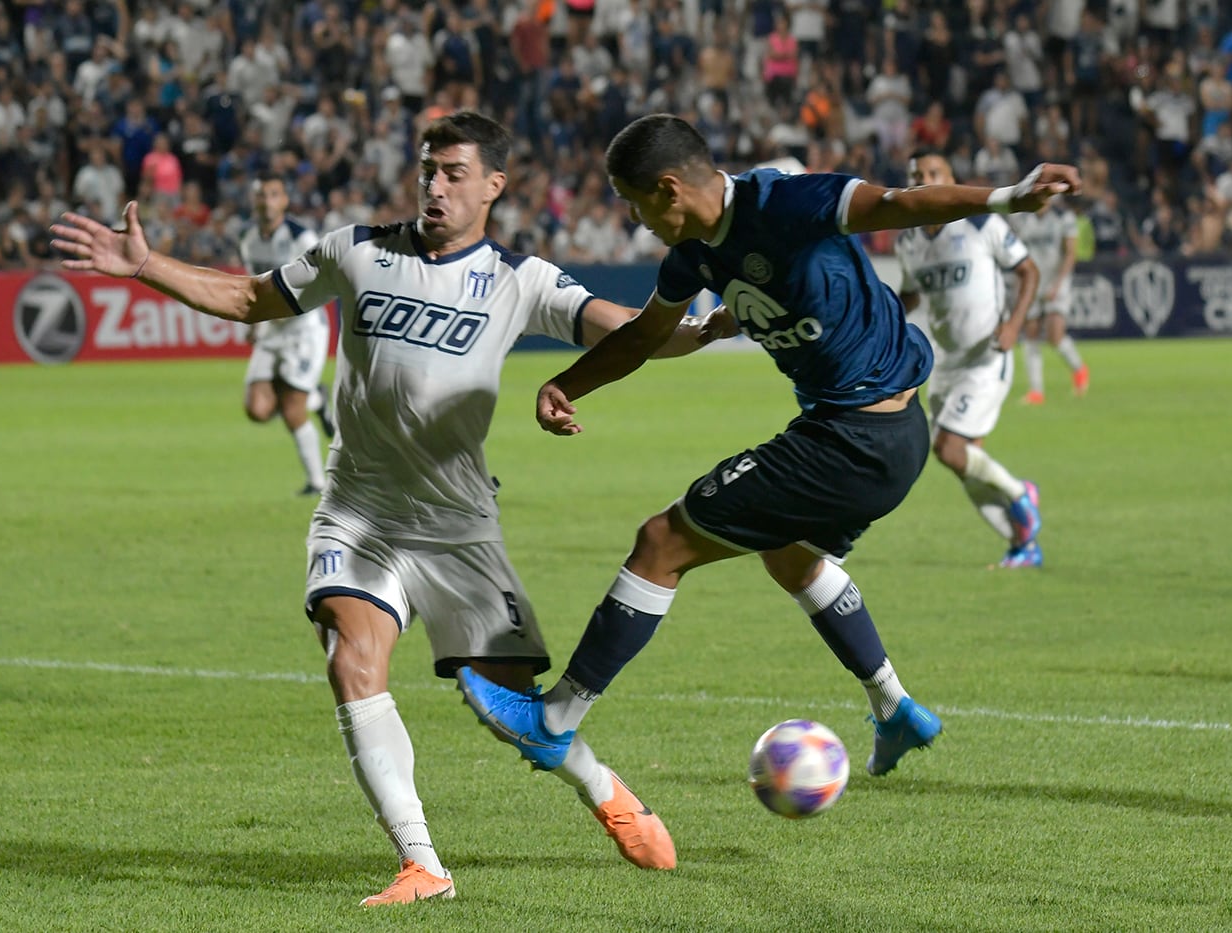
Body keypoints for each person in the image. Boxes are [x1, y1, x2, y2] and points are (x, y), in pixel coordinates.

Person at [52, 112, 732, 907]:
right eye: (427, 170)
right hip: (358, 510)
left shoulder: (522, 279)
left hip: (459, 526)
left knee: (508, 708)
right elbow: (248, 297)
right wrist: (146, 265)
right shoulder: (358, 249)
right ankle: (422, 864)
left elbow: (625, 330)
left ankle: (604, 786)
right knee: (350, 654)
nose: (435, 185)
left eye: (453, 172)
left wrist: (701, 330)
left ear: (493, 186)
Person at [458, 115, 1078, 796]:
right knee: (792, 557)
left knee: (662, 541)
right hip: (887, 436)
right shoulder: (694, 254)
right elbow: (643, 337)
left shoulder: (784, 202)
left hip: (854, 438)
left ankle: (554, 717)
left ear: (669, 189)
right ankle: (894, 707)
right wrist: (566, 384)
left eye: (635, 204)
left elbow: (897, 204)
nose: (636, 221)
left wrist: (1006, 197)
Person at [895, 150, 1044, 569]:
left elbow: (1028, 270)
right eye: (917, 175)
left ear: (951, 176)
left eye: (934, 172)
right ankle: (1022, 545)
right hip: (946, 363)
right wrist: (879, 315)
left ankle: (1019, 494)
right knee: (965, 465)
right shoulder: (908, 239)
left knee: (949, 449)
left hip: (986, 356)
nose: (925, 179)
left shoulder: (981, 223)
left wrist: (1014, 324)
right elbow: (911, 295)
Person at [238, 174, 336, 495]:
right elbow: (254, 283)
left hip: (304, 329)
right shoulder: (248, 238)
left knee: (293, 409)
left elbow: (322, 279)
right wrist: (254, 324)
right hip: (272, 329)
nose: (266, 200)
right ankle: (318, 399)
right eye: (261, 194)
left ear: (283, 201)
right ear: (254, 201)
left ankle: (317, 483)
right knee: (257, 409)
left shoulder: (300, 237)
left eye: (273, 194)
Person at [1007, 197, 1089, 404]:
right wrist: (1021, 284)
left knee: (1054, 335)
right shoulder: (1021, 219)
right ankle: (1036, 391)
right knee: (1031, 333)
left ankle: (1079, 369)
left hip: (1056, 282)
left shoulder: (1064, 217)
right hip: (1033, 282)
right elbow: (1017, 254)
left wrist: (1058, 284)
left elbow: (1071, 253)